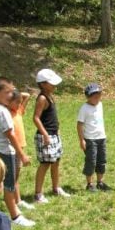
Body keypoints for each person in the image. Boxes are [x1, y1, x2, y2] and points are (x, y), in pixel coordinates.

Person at [0, 77, 34, 227]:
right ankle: (15, 216)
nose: (10, 96)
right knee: (9, 185)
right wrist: (22, 155)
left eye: (11, 92)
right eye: (7, 92)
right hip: (5, 151)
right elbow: (11, 135)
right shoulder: (2, 111)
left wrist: (10, 87)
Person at [33, 68, 70, 203]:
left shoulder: (50, 95)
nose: (54, 86)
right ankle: (38, 194)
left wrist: (57, 131)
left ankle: (56, 188)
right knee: (45, 164)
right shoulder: (42, 98)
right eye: (51, 83)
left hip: (54, 135)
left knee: (56, 162)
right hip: (46, 137)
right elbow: (36, 118)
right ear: (42, 84)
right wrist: (45, 135)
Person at [78, 83, 111, 192]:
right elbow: (79, 125)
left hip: (101, 137)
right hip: (90, 139)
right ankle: (89, 184)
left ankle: (100, 182)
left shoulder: (100, 105)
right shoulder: (84, 108)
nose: (97, 99)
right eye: (94, 97)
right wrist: (81, 140)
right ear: (88, 97)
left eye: (99, 96)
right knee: (91, 161)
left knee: (102, 160)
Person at [7, 89, 35, 211]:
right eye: (17, 102)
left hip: (20, 148)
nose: (19, 104)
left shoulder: (18, 111)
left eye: (20, 102)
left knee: (16, 176)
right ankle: (13, 201)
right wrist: (10, 96)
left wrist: (15, 93)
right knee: (11, 176)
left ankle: (18, 200)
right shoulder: (6, 113)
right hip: (12, 148)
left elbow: (27, 95)